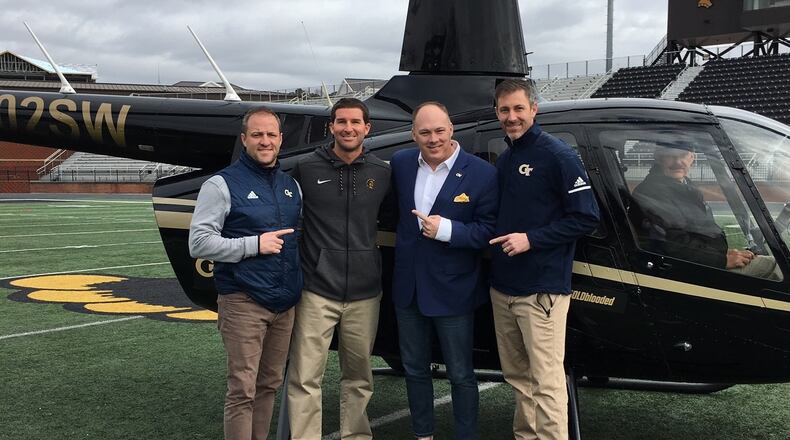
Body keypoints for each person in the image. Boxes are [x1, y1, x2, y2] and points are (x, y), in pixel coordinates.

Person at [488, 79, 600, 440]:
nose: (512, 117)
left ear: (534, 109)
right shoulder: (506, 159)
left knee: (547, 380)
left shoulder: (558, 155)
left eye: (519, 108)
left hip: (541, 291)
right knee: (518, 379)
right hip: (503, 288)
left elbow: (586, 217)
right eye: (505, 110)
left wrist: (531, 239)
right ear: (497, 112)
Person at [188, 106, 302, 440]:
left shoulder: (290, 186)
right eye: (257, 134)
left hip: (284, 304)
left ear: (280, 139)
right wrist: (253, 245)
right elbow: (199, 242)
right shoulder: (220, 184)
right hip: (243, 300)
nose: (264, 141)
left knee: (269, 385)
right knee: (243, 389)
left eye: (270, 134)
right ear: (244, 139)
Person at [390, 101, 498, 440]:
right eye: (424, 132)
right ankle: (424, 434)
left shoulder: (482, 173)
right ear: (414, 135)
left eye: (439, 130)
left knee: (461, 374)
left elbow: (489, 231)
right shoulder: (402, 163)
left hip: (454, 291)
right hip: (408, 289)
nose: (433, 138)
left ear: (451, 129)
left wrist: (448, 230)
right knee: (414, 369)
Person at [286, 98, 391, 440]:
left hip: (365, 293)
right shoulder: (305, 169)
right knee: (305, 377)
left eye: (355, 122)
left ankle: (356, 436)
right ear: (331, 127)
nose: (348, 128)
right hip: (316, 290)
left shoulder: (383, 171)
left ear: (367, 128)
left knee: (359, 377)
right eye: (341, 122)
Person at [631, 143, 779, 278]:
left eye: (682, 155)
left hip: (700, 265)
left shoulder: (682, 186)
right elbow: (673, 245)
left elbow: (693, 235)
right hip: (684, 273)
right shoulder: (653, 192)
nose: (677, 162)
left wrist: (723, 254)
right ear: (659, 158)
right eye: (670, 156)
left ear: (692, 158)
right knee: (776, 267)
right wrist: (721, 260)